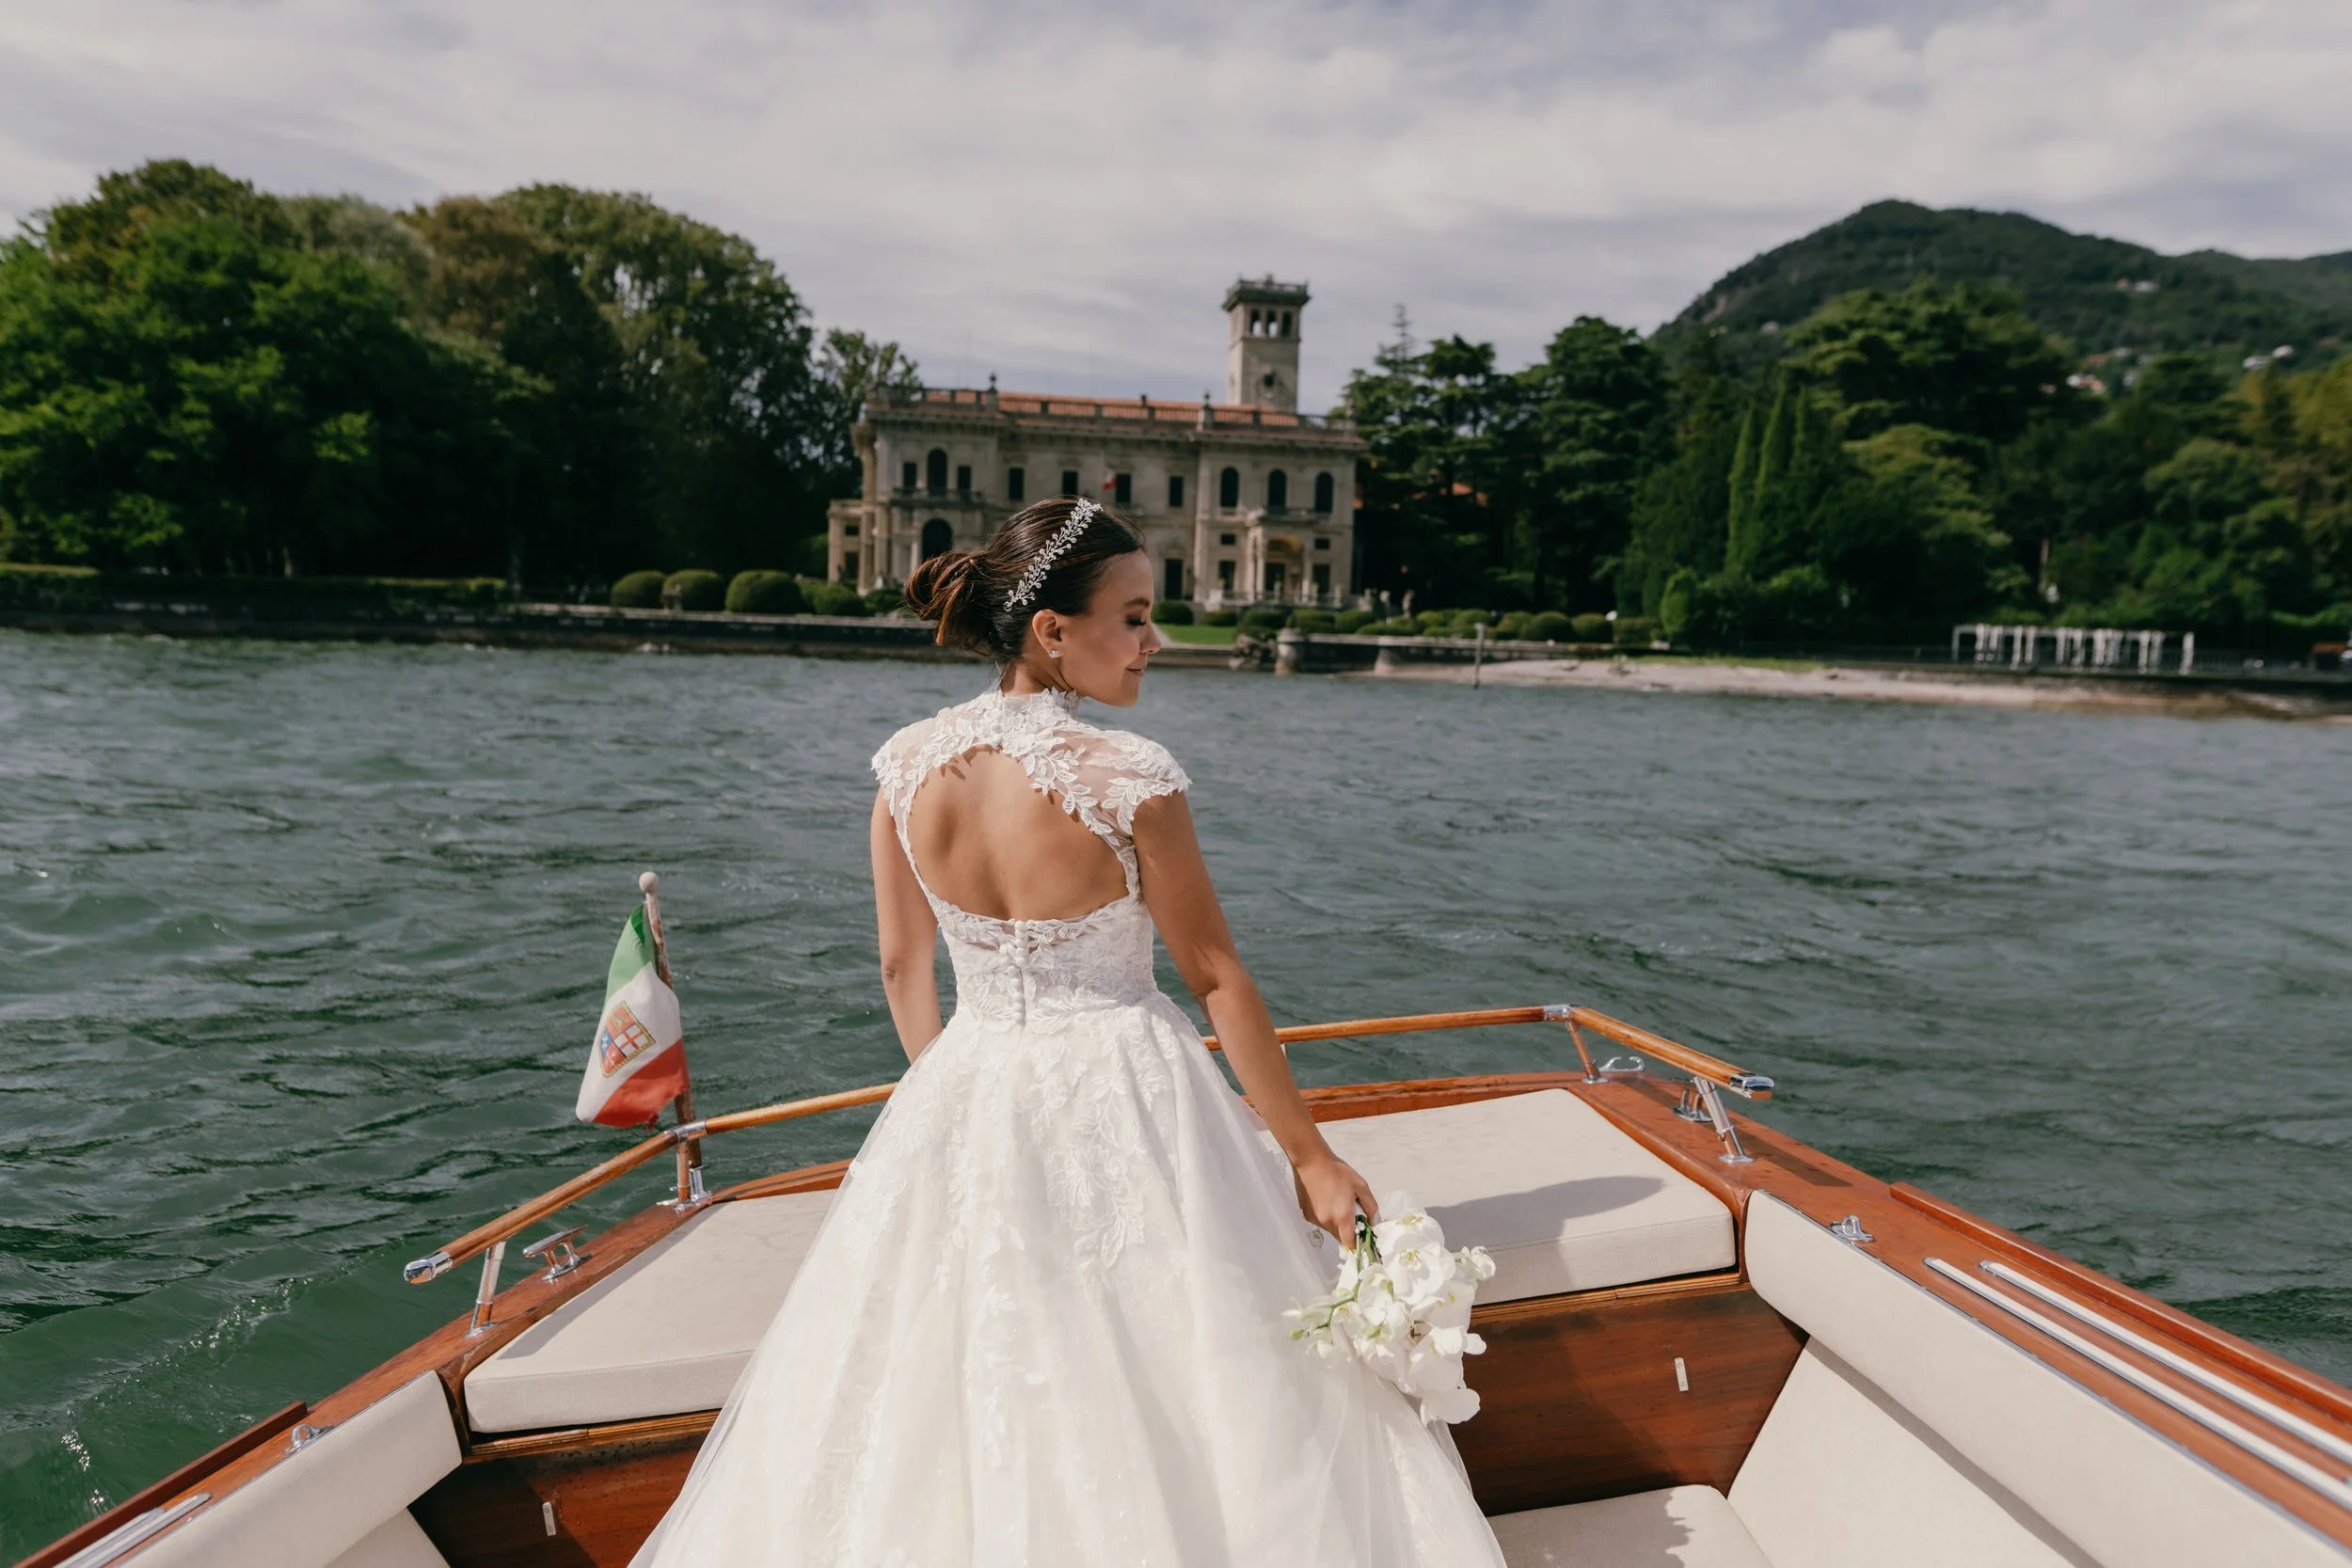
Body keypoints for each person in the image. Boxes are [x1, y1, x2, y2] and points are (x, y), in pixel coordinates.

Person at [630, 498, 1506, 1565]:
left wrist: (948, 1095)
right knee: (1187, 1359)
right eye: (1133, 617)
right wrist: (1309, 1154)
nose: (1155, 641)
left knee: (960, 1367)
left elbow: (904, 963)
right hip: (1128, 1084)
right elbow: (1215, 977)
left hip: (965, 1080)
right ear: (1052, 629)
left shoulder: (905, 766)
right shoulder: (1129, 776)